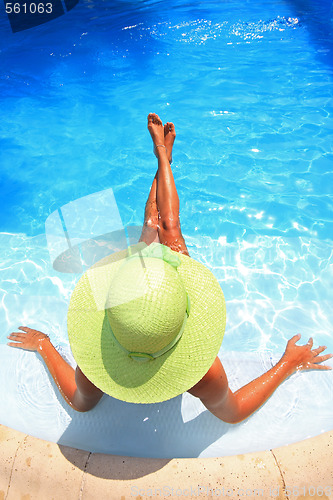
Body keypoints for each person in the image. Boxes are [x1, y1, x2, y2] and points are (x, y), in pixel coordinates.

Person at [7, 113, 332, 423]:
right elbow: (232, 412)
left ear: (109, 321)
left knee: (154, 224)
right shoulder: (205, 373)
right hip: (162, 299)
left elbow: (80, 405)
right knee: (167, 226)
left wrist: (45, 345)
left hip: (155, 294)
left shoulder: (95, 367)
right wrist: (288, 363)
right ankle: (163, 158)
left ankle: (163, 156)